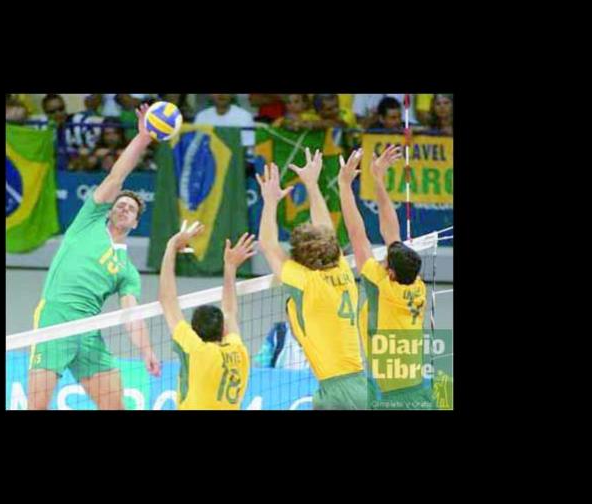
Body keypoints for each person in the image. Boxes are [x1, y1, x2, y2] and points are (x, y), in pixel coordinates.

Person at [27, 104, 161, 410]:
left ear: (136, 223)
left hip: (88, 332)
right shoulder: (88, 222)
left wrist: (146, 350)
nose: (124, 207)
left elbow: (131, 314)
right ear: (111, 208)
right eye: (121, 204)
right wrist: (142, 139)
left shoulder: (127, 270)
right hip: (54, 322)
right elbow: (116, 177)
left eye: (132, 209)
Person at [255, 147, 368, 410]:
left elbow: (269, 245)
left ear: (299, 258)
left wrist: (270, 201)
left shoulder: (306, 282)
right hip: (356, 384)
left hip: (338, 392)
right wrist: (312, 184)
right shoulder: (342, 270)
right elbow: (325, 228)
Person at [337, 145, 435, 410]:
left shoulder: (382, 288)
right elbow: (392, 233)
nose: (381, 259)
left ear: (389, 273)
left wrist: (345, 186)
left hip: (391, 392)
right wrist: (377, 178)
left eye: (385, 262)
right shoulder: (415, 283)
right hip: (413, 380)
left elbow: (357, 234)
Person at [158, 226, 254, 410]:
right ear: (224, 329)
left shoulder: (197, 350)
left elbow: (167, 301)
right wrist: (230, 267)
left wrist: (171, 247)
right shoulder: (238, 350)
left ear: (194, 331)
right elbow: (230, 311)